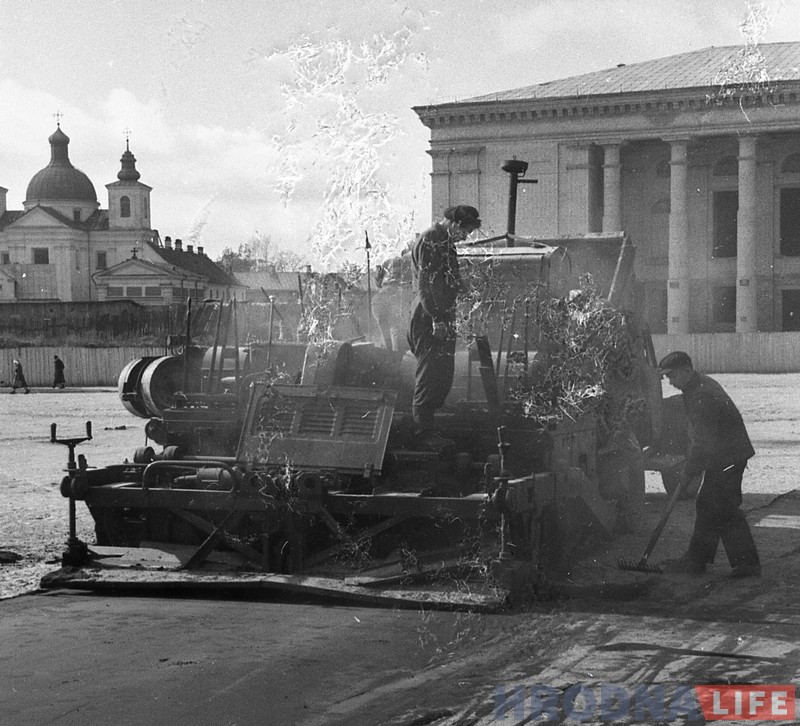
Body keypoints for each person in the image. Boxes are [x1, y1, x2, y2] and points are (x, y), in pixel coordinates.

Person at [658, 350, 761, 578]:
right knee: (709, 505)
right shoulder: (698, 386)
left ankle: (747, 564)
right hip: (726, 455)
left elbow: (703, 441)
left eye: (672, 376)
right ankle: (697, 560)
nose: (671, 382)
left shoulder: (700, 395)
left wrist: (689, 471)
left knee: (724, 508)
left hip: (729, 457)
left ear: (686, 370)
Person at [407, 205, 481, 448]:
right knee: (429, 374)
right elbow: (425, 284)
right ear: (454, 223)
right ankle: (423, 433)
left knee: (443, 371)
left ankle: (430, 424)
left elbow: (448, 276)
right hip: (429, 316)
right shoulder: (430, 240)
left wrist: (463, 287)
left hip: (442, 314)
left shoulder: (445, 242)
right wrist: (436, 319)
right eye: (465, 231)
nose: (465, 237)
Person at [372, 245, 413, 356]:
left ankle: (387, 357)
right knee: (396, 329)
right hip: (396, 296)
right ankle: (397, 359)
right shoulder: (409, 261)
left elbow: (378, 282)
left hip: (381, 297)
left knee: (385, 332)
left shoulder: (387, 261)